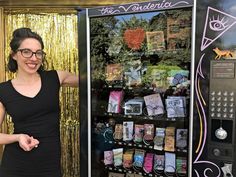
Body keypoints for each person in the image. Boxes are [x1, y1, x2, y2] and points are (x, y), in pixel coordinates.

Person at [0, 27, 78, 177]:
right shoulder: (3, 90)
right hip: (15, 166)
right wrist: (18, 137)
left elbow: (90, 79)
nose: (34, 58)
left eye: (38, 53)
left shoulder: (56, 78)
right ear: (14, 55)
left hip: (49, 164)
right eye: (26, 52)